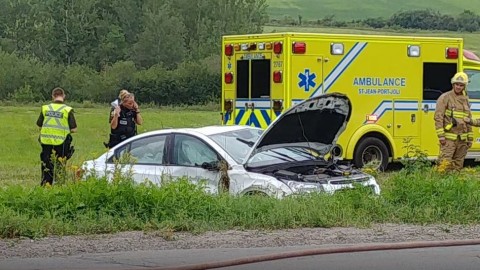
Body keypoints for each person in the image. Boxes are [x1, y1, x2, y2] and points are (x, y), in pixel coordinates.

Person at [37, 87, 77, 186]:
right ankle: (59, 187)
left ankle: (46, 185)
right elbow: (74, 129)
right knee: (60, 167)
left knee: (46, 166)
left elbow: (39, 124)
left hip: (46, 142)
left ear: (52, 96)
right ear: (63, 96)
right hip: (61, 142)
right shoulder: (67, 110)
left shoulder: (45, 108)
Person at [434, 71, 473, 172]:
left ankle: (454, 186)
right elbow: (438, 117)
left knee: (458, 166)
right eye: (457, 84)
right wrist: (441, 136)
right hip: (449, 139)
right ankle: (441, 186)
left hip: (462, 139)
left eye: (461, 85)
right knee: (444, 164)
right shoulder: (445, 98)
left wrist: (470, 138)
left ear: (464, 86)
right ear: (453, 84)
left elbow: (468, 120)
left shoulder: (465, 100)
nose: (458, 87)